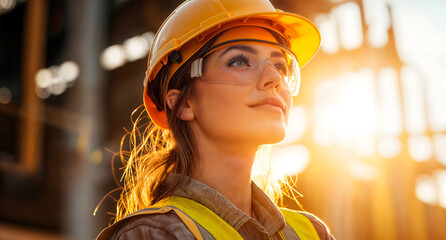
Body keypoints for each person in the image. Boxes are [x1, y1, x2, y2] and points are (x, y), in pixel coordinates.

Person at [97, 0, 335, 239]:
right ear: (184, 102)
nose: (274, 78)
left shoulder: (311, 232)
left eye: (281, 66)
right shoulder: (157, 233)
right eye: (240, 61)